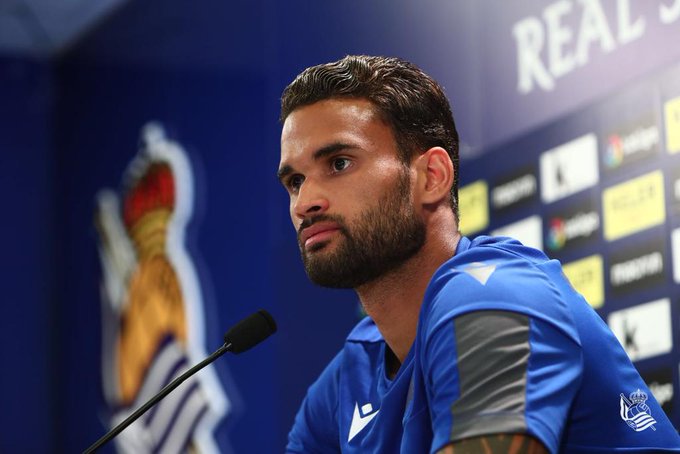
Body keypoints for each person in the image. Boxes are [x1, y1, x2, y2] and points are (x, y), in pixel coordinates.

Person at [277, 55, 680, 453]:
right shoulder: (355, 368)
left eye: (339, 163)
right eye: (295, 181)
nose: (304, 202)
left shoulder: (494, 297)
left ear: (431, 177)